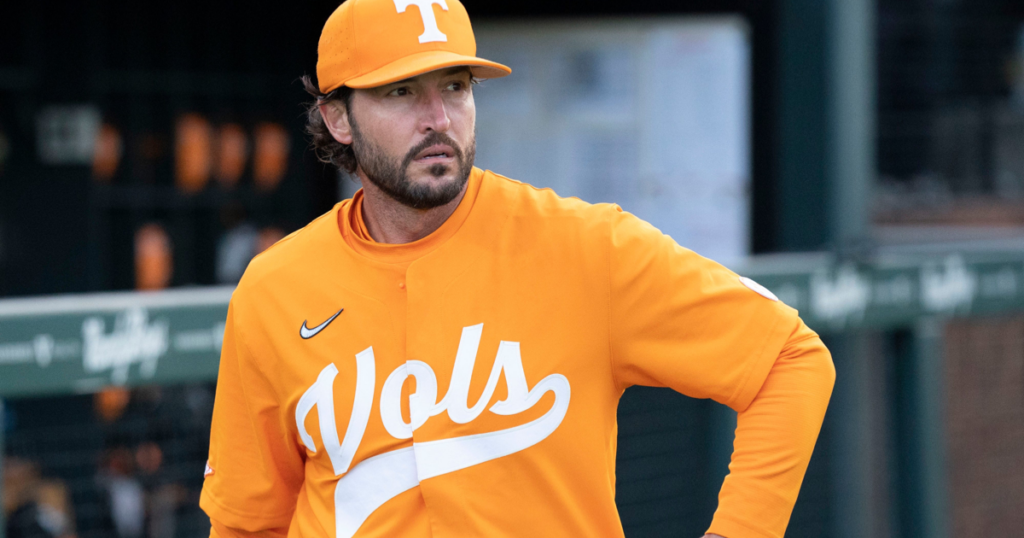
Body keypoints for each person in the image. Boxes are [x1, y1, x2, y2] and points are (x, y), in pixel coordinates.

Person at [199, 0, 835, 537]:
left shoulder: (586, 246)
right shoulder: (275, 288)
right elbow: (247, 522)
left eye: (454, 86)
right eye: (402, 92)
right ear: (338, 117)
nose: (439, 119)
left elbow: (789, 359)